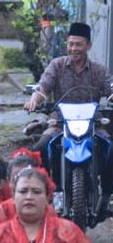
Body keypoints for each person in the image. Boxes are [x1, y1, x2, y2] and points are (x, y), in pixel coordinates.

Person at [23, 22, 113, 213]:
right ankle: (48, 192)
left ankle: (107, 194)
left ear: (88, 45)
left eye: (79, 44)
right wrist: (34, 100)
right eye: (71, 44)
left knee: (109, 148)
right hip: (60, 121)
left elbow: (110, 87)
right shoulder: (57, 65)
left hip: (92, 122)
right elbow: (43, 86)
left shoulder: (98, 70)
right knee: (41, 147)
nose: (74, 49)